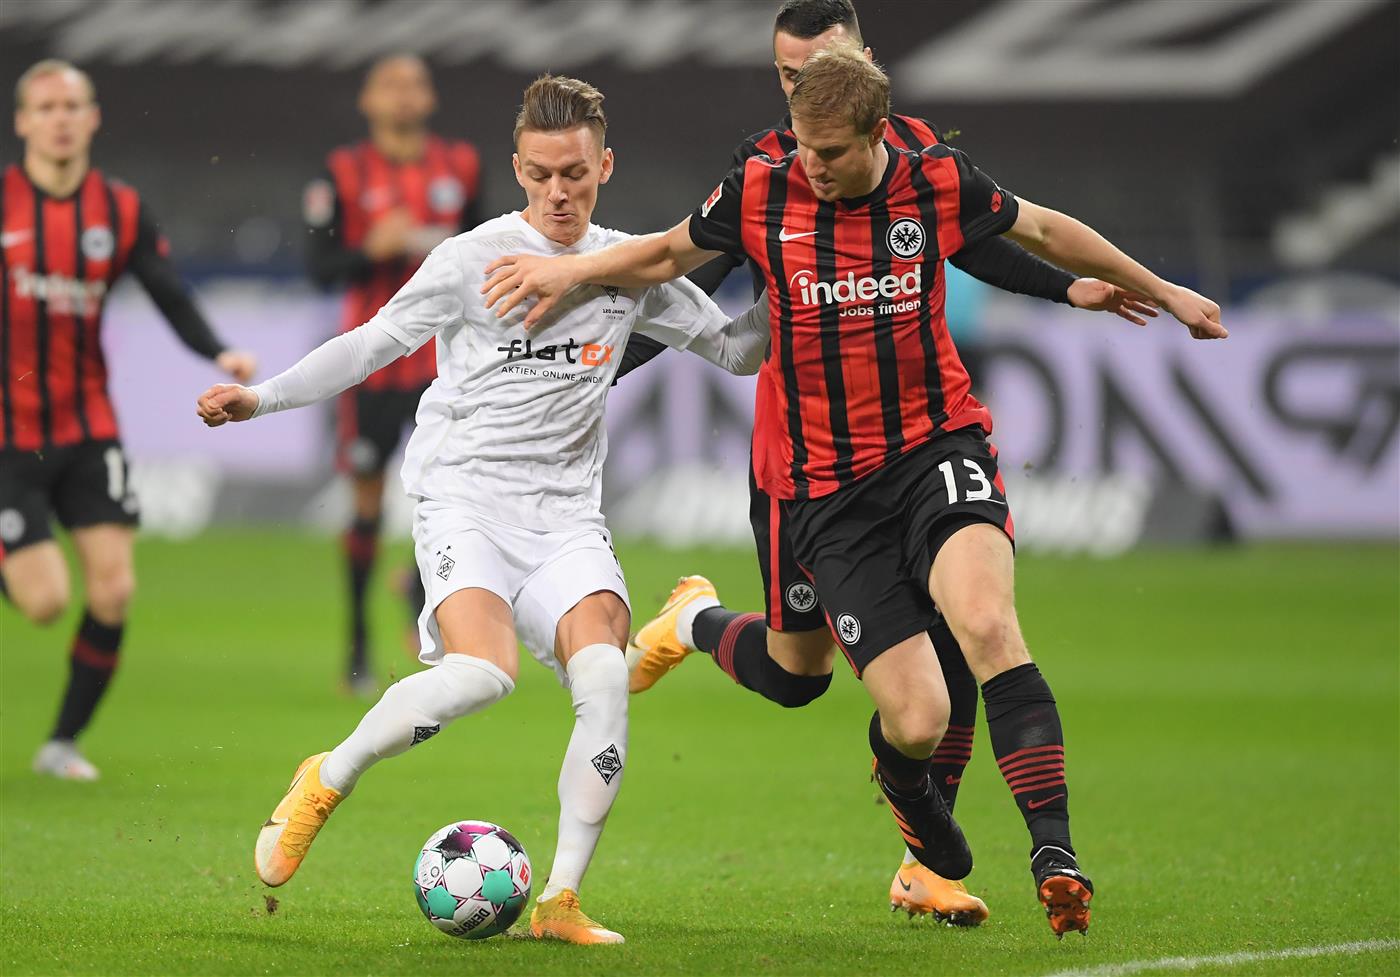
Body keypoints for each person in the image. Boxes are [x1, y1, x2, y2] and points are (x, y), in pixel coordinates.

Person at [480, 45, 1226, 937]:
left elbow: (1041, 228)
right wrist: (570, 274)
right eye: (801, 143)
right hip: (826, 488)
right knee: (884, 706)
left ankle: (1054, 854)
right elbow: (673, 256)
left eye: (828, 152)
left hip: (936, 446)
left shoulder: (934, 178)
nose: (810, 164)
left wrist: (1161, 288)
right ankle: (719, 639)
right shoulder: (762, 184)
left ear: (875, 133)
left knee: (985, 624)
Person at [614, 0, 1156, 926]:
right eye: (787, 80)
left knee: (969, 632)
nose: (802, 96)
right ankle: (694, 620)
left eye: (817, 70)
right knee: (798, 674)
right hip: (804, 467)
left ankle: (941, 865)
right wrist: (599, 375)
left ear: (865, 64)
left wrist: (1077, 287)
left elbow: (990, 237)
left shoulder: (921, 160)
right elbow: (685, 277)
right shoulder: (775, 170)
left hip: (927, 442)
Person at [196, 74, 770, 945]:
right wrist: (261, 397)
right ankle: (327, 776)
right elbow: (372, 341)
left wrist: (794, 274)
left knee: (606, 678)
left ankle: (560, 902)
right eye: (540, 173)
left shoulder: (629, 265)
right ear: (516, 168)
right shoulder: (473, 258)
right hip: (463, 496)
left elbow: (735, 352)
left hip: (567, 513)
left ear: (604, 165)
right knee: (484, 673)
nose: (558, 192)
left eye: (575, 172)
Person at [0, 59, 256, 781]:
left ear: (92, 118)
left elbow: (167, 291)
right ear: (22, 121)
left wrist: (218, 349)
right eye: (45, 106)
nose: (58, 117)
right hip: (7, 435)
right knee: (45, 601)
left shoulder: (119, 211)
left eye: (71, 105)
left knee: (113, 589)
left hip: (88, 428)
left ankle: (61, 742)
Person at [304, 54, 485, 696]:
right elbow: (320, 267)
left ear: (430, 97)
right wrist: (369, 250)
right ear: (368, 100)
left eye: (414, 85)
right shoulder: (343, 171)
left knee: (448, 486)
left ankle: (419, 592)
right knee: (367, 498)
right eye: (390, 85)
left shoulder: (460, 165)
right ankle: (356, 642)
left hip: (447, 359)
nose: (404, 97)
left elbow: (492, 246)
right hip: (374, 363)